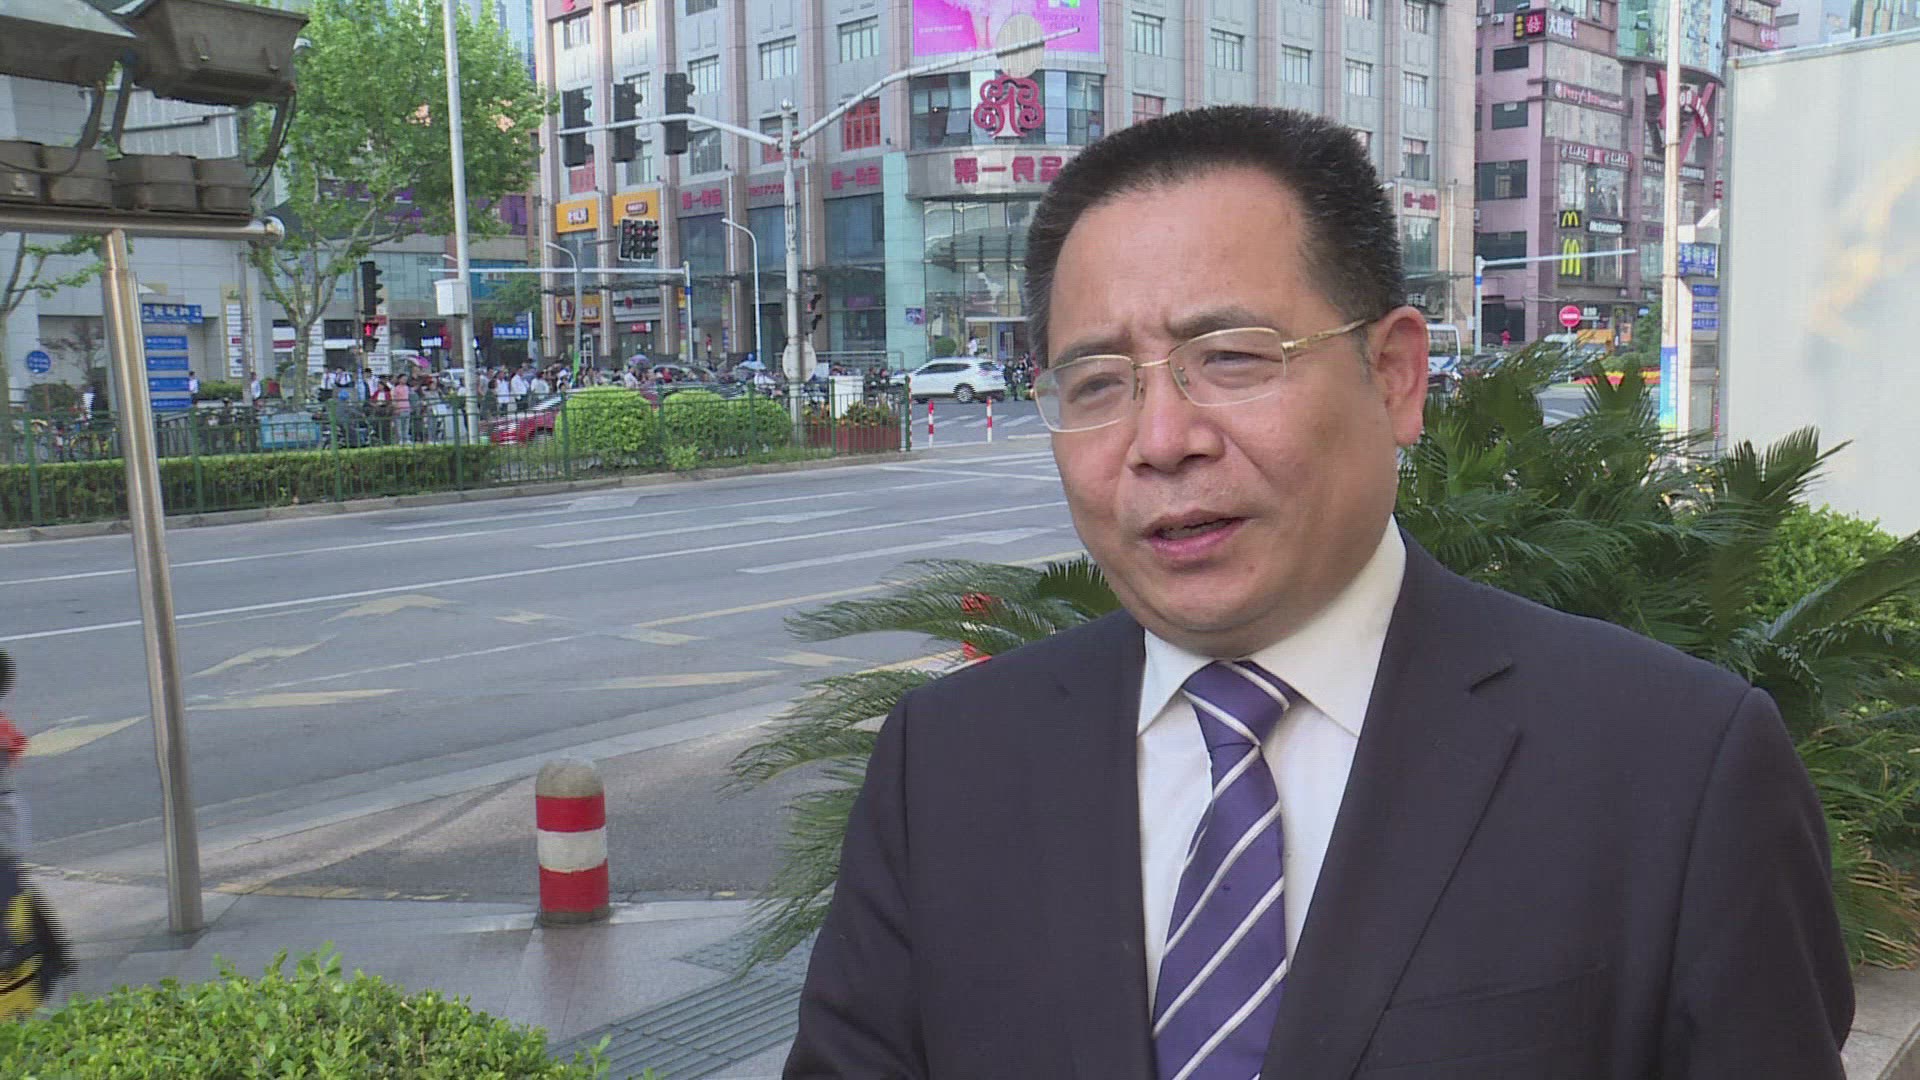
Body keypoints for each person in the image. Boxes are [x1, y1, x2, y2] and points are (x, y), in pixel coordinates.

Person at [786, 107, 1852, 1078]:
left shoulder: (1676, 766)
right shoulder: (947, 764)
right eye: (1099, 382)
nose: (1162, 440)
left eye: (1231, 357)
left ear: (1394, 377)